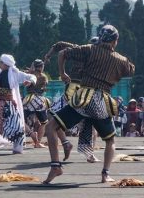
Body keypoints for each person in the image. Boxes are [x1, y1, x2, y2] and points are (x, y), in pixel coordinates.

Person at [43, 25, 135, 184]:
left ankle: (55, 166)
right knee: (110, 140)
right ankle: (105, 174)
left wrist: (62, 73)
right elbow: (131, 70)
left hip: (83, 98)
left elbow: (63, 53)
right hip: (101, 102)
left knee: (51, 127)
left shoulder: (89, 49)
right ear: (116, 41)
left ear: (100, 38)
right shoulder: (121, 60)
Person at [45, 39, 99, 163]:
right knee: (51, 116)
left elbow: (59, 47)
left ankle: (89, 154)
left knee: (91, 123)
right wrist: (61, 72)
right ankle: (65, 143)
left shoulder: (102, 57)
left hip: (87, 91)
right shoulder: (80, 50)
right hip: (73, 89)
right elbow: (60, 48)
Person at [23, 59, 49, 148]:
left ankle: (29, 134)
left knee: (21, 120)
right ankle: (38, 142)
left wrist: (30, 71)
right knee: (44, 122)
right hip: (38, 99)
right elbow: (45, 86)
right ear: (41, 67)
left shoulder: (29, 75)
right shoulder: (43, 76)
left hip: (28, 99)